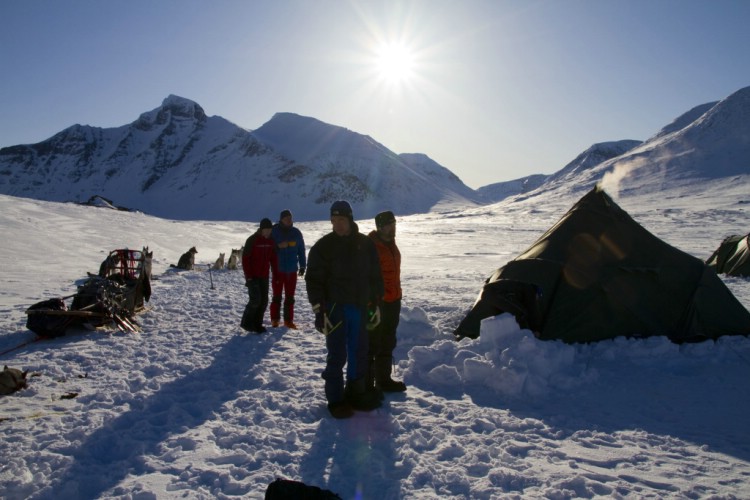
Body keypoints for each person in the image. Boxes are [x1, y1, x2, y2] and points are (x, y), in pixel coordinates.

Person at [305, 200, 384, 419]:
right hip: (335, 310)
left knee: (359, 351)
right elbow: (313, 280)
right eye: (333, 220)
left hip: (359, 307)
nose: (337, 225)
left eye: (341, 220)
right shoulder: (323, 247)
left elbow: (375, 276)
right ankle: (336, 399)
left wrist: (376, 303)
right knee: (337, 354)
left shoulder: (365, 244)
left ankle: (356, 393)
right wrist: (319, 311)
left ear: (350, 219)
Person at [368, 211, 407, 393]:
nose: (393, 228)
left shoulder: (391, 244)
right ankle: (367, 384)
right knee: (372, 342)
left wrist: (397, 294)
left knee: (388, 340)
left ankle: (383, 380)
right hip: (378, 302)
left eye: (394, 224)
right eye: (389, 225)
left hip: (393, 300)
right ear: (380, 227)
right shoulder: (372, 246)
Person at [270, 209, 307, 329]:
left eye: (290, 218)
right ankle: (275, 319)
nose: (289, 220)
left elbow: (301, 250)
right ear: (281, 219)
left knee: (290, 297)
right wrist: (278, 246)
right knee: (277, 296)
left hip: (291, 270)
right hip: (278, 269)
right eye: (286, 218)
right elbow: (269, 247)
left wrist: (302, 266)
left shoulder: (296, 233)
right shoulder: (274, 232)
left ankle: (288, 320)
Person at [240, 218, 278, 333]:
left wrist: (275, 273)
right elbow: (245, 259)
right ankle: (246, 323)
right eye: (266, 230)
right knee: (255, 300)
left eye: (269, 230)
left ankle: (257, 324)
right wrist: (249, 277)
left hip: (264, 275)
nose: (268, 232)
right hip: (253, 276)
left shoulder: (271, 241)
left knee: (264, 301)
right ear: (261, 229)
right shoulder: (252, 240)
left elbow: (273, 259)